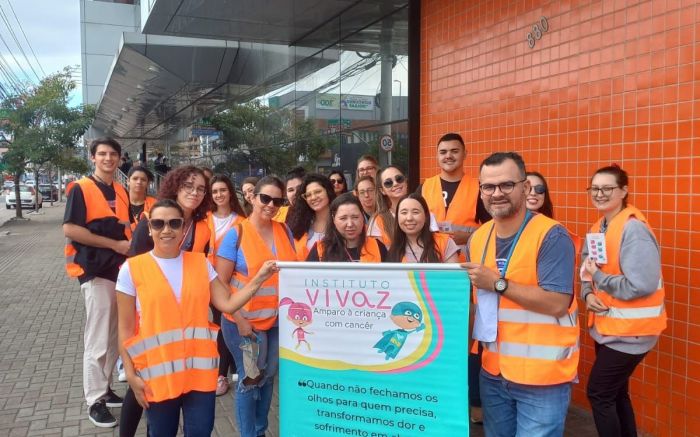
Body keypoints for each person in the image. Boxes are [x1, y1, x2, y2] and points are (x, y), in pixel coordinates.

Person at [116, 199, 279, 437]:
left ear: (183, 228)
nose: (167, 230)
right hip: (159, 376)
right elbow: (125, 328)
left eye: (174, 223)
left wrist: (259, 278)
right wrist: (130, 375)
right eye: (159, 224)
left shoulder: (200, 264)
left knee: (201, 431)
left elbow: (227, 303)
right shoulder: (131, 269)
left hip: (199, 375)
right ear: (149, 229)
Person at [463, 152, 578, 436]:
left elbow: (557, 303)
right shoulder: (478, 238)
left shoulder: (552, 236)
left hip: (542, 379)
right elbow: (477, 306)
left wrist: (499, 283)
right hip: (493, 373)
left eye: (506, 185)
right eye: (488, 187)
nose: (496, 193)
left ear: (525, 188)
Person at [120, 166, 212, 437]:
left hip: (183, 325)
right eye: (188, 186)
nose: (194, 193)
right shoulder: (154, 220)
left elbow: (199, 271)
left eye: (200, 189)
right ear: (175, 186)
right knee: (142, 387)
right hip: (149, 320)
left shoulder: (200, 226)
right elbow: (136, 275)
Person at [581, 165, 666, 437]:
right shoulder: (599, 227)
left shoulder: (634, 230)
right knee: (616, 394)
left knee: (598, 393)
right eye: (595, 188)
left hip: (632, 334)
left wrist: (600, 278)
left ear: (624, 191)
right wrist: (588, 293)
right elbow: (586, 270)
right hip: (610, 329)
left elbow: (641, 285)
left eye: (607, 188)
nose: (600, 194)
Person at [215, 176, 297, 437]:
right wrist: (239, 319)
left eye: (278, 200)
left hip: (274, 323)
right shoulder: (235, 234)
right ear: (252, 198)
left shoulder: (285, 231)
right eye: (265, 198)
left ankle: (260, 430)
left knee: (269, 376)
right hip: (244, 324)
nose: (271, 205)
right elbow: (221, 283)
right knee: (250, 381)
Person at [63, 137, 130, 428]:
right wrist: (113, 246)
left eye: (113, 154)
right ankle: (94, 400)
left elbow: (126, 229)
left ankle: (105, 388)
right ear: (93, 157)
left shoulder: (120, 190)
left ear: (119, 158)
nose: (108, 158)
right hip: (95, 272)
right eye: (102, 154)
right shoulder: (81, 188)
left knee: (115, 336)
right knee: (97, 339)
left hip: (120, 273)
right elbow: (71, 229)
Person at [207, 174, 246, 396]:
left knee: (228, 325)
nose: (219, 195)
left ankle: (226, 372)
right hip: (208, 281)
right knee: (218, 325)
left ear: (230, 192)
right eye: (215, 191)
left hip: (233, 282)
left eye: (223, 190)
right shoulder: (204, 220)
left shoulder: (242, 221)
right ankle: (219, 372)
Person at [420, 133, 489, 246]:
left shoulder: (479, 188)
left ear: (465, 154)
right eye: (443, 152)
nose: (448, 156)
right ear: (437, 156)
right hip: (431, 260)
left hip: (465, 261)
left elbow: (495, 228)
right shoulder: (424, 187)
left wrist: (469, 237)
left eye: (454, 151)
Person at [307, 193, 387, 262]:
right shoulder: (320, 249)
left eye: (355, 217)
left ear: (363, 217)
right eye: (343, 218)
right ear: (334, 219)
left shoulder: (377, 246)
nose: (350, 224)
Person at [387, 193, 460, 263]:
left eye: (415, 212)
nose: (409, 218)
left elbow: (455, 275)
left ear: (426, 216)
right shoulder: (393, 250)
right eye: (404, 212)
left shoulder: (445, 242)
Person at [286, 174, 336, 260]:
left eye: (318, 192)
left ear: (328, 191)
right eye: (308, 195)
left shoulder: (342, 221)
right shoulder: (299, 224)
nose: (313, 197)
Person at [367, 165, 408, 246]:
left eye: (399, 179)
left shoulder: (423, 211)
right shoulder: (378, 220)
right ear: (382, 191)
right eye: (388, 183)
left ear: (406, 182)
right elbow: (376, 253)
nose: (396, 184)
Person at [126, 166, 156, 231]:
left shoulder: (155, 204)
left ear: (148, 184)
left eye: (143, 179)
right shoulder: (119, 201)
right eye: (135, 178)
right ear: (128, 181)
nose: (139, 182)